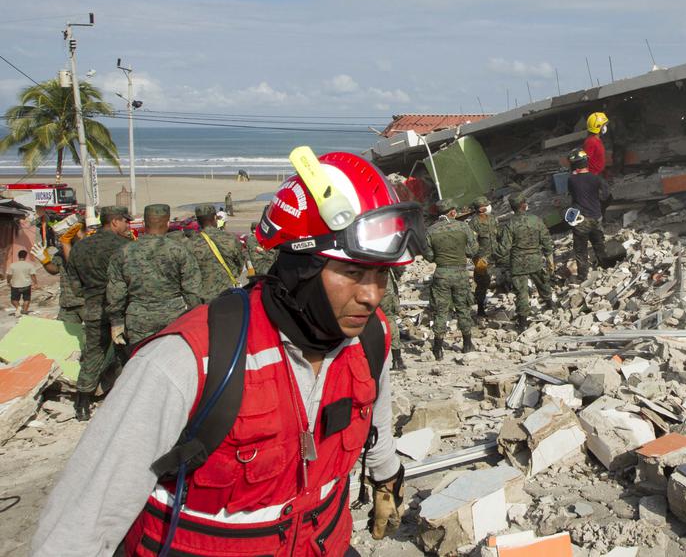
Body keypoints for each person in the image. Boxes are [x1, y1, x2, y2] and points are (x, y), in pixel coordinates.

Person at [33, 151, 417, 556]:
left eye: (382, 274)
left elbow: (376, 420)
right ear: (300, 268)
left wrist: (386, 476)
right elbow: (80, 527)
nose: (372, 296)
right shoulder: (185, 361)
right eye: (354, 273)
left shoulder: (370, 339)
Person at [67, 205, 133, 420]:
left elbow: (75, 286)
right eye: (125, 221)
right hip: (121, 311)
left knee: (93, 354)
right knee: (127, 355)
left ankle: (82, 404)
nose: (127, 225)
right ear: (114, 221)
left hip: (93, 308)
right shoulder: (125, 246)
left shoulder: (79, 247)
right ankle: (123, 402)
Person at [106, 204, 203, 349]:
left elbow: (116, 291)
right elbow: (193, 290)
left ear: (144, 224)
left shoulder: (124, 252)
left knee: (141, 363)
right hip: (174, 318)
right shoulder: (179, 250)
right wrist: (195, 319)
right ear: (168, 223)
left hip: (139, 320)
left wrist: (116, 322)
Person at [426, 199, 478, 359]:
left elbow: (429, 256)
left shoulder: (431, 230)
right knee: (463, 307)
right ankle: (467, 344)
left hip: (441, 273)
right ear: (453, 212)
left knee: (441, 311)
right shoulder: (463, 227)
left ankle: (438, 349)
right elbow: (472, 250)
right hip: (460, 273)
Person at [496, 194, 555, 331]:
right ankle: (551, 304)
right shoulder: (536, 220)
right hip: (535, 259)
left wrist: (493, 258)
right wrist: (549, 258)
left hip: (518, 263)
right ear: (524, 205)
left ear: (512, 208)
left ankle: (522, 323)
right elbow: (546, 240)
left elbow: (504, 247)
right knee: (542, 282)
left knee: (521, 292)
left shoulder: (510, 224)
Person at [566, 148, 611, 282]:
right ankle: (605, 266)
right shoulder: (596, 179)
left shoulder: (572, 180)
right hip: (596, 218)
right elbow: (607, 195)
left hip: (581, 221)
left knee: (581, 250)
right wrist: (601, 209)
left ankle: (582, 276)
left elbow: (573, 196)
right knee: (599, 243)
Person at [188, 203, 247, 302]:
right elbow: (240, 264)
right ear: (215, 218)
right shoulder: (230, 239)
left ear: (198, 221)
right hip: (228, 294)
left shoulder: (191, 243)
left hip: (204, 298)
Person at [32, 230, 84, 324]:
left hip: (88, 302)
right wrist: (44, 260)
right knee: (63, 335)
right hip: (68, 303)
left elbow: (77, 267)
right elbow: (54, 270)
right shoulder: (61, 252)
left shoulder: (91, 248)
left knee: (95, 335)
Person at [467, 196, 497, 317]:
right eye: (487, 205)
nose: (490, 207)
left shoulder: (492, 219)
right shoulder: (473, 224)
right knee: (482, 282)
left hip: (495, 254)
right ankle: (480, 308)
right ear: (481, 209)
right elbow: (472, 244)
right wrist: (477, 259)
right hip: (482, 258)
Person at [7, 249, 37, 314]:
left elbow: (9, 275)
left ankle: (18, 307)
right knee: (26, 299)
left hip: (15, 285)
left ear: (18, 256)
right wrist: (35, 283)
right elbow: (33, 275)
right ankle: (25, 311)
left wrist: (8, 282)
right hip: (26, 285)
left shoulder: (12, 265)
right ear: (26, 256)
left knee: (14, 300)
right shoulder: (29, 265)